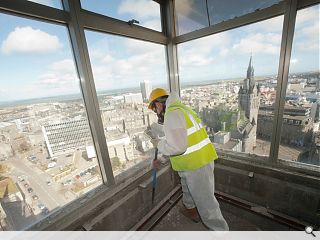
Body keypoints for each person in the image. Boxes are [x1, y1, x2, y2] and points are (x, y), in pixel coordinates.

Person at [148, 88, 229, 231]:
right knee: (187, 190)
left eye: (155, 109)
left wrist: (158, 144)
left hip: (196, 165)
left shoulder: (172, 114)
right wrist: (160, 159)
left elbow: (177, 147)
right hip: (193, 162)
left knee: (206, 203)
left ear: (158, 104)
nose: (156, 113)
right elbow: (177, 140)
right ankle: (191, 211)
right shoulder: (181, 109)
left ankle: (221, 231)